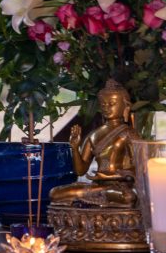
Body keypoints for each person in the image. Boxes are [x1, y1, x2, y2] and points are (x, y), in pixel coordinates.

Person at [49, 80, 137, 208]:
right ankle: (97, 201)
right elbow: (80, 171)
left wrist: (116, 175)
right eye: (103, 104)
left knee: (128, 197)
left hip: (119, 186)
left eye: (112, 104)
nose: (106, 108)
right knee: (55, 193)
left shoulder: (129, 134)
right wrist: (74, 147)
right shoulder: (94, 135)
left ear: (125, 107)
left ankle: (95, 201)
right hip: (97, 186)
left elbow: (141, 167)